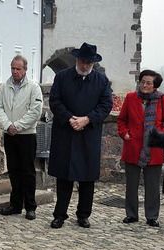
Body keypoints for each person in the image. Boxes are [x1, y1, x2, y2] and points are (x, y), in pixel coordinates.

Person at [48, 42, 113, 229]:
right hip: (66, 132)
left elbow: (105, 105)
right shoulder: (62, 77)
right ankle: (60, 214)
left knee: (87, 178)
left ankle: (83, 215)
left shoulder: (101, 81)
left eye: (89, 63)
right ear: (77, 59)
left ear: (93, 63)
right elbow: (55, 101)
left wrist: (87, 119)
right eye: (82, 61)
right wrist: (70, 119)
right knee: (63, 177)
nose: (85, 66)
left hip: (88, 134)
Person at [117, 69, 164, 227]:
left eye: (148, 83)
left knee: (152, 185)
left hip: (154, 148)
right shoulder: (131, 98)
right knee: (131, 184)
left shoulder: (163, 100)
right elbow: (121, 120)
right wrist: (125, 133)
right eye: (142, 82)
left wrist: (160, 135)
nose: (144, 85)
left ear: (155, 85)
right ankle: (131, 214)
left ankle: (152, 216)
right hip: (132, 146)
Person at [0, 55, 43, 220]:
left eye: (18, 69)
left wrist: (18, 126)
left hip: (27, 135)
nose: (15, 72)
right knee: (14, 171)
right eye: (13, 68)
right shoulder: (5, 87)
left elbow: (35, 111)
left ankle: (30, 206)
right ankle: (15, 204)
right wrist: (8, 125)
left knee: (28, 171)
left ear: (25, 70)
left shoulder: (33, 88)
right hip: (10, 135)